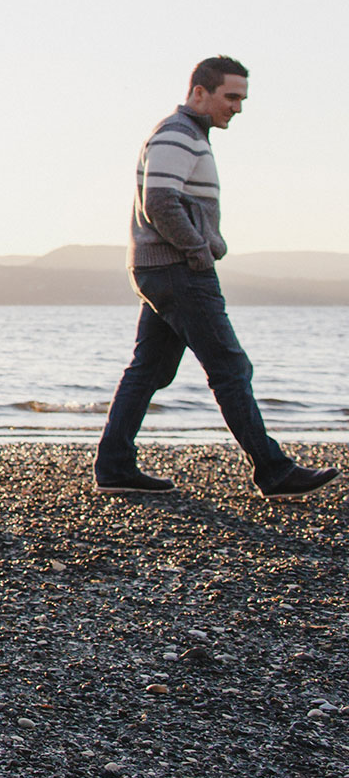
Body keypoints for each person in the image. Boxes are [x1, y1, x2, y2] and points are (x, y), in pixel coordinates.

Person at [94, 57, 340, 499]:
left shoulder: (188, 136)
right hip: (177, 270)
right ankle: (273, 471)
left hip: (161, 267)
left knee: (150, 368)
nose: (238, 108)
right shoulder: (178, 135)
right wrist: (198, 252)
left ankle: (113, 466)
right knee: (230, 367)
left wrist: (205, 244)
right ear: (199, 92)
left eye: (242, 99)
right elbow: (160, 203)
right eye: (231, 97)